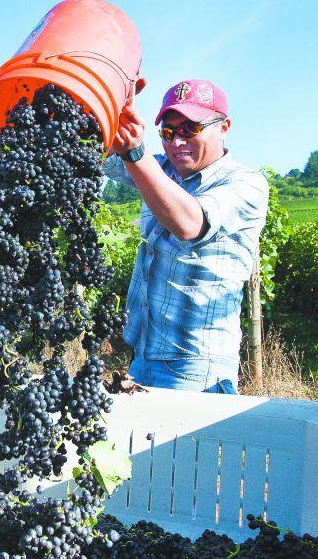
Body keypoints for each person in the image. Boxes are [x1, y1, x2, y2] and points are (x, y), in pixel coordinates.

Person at [104, 79, 269, 393]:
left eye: (190, 129)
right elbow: (96, 151)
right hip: (143, 358)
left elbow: (190, 223)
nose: (177, 141)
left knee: (185, 444)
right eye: (168, 132)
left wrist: (136, 152)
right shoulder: (162, 170)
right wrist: (109, 101)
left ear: (224, 126)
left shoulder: (246, 184)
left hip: (195, 370)